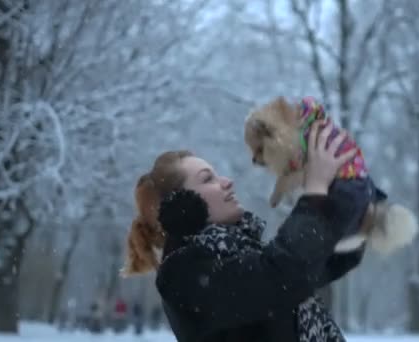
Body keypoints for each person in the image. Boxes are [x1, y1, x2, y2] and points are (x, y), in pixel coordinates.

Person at [122, 121, 366, 341]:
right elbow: (280, 276)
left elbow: (320, 264)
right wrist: (314, 193)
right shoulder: (182, 274)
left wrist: (350, 192)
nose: (227, 181)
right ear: (182, 204)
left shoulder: (240, 253)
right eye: (208, 179)